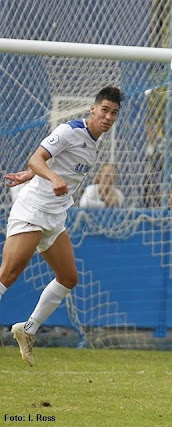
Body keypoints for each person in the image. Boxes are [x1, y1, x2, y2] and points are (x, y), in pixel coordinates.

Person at [0, 86, 122, 366]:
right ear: (93, 109)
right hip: (33, 209)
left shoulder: (93, 143)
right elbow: (37, 157)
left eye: (114, 113)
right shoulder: (70, 130)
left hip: (55, 217)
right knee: (9, 273)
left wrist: (31, 174)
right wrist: (49, 177)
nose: (108, 117)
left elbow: (46, 163)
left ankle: (28, 330)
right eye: (104, 110)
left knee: (68, 278)